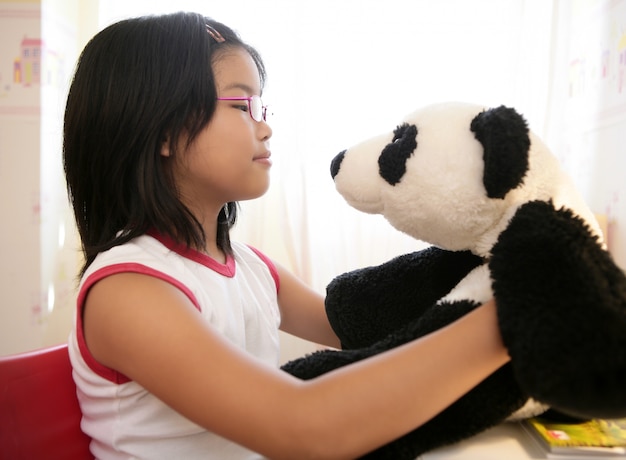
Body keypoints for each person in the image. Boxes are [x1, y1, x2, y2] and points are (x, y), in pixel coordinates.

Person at [63, 11, 509, 460]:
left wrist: (481, 265)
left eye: (261, 107)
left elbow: (354, 328)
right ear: (162, 130)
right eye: (241, 106)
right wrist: (513, 319)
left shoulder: (249, 267)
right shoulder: (128, 290)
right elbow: (301, 425)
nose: (265, 126)